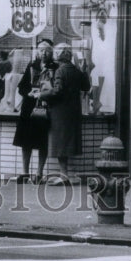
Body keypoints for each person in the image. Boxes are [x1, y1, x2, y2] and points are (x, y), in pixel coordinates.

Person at [39, 42, 90, 183]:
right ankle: (64, 175)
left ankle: (64, 176)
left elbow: (57, 91)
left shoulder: (61, 70)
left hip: (60, 112)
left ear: (59, 54)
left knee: (61, 145)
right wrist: (84, 70)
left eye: (55, 52)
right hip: (73, 111)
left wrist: (41, 94)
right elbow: (86, 86)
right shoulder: (75, 70)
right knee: (65, 144)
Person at [12, 41, 56, 182]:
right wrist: (29, 93)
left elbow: (57, 88)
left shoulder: (55, 67)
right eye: (41, 50)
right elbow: (21, 87)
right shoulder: (32, 66)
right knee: (26, 141)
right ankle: (25, 172)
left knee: (42, 141)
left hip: (45, 106)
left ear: (51, 52)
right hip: (29, 107)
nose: (44, 53)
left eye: (47, 50)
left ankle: (39, 173)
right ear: (37, 52)